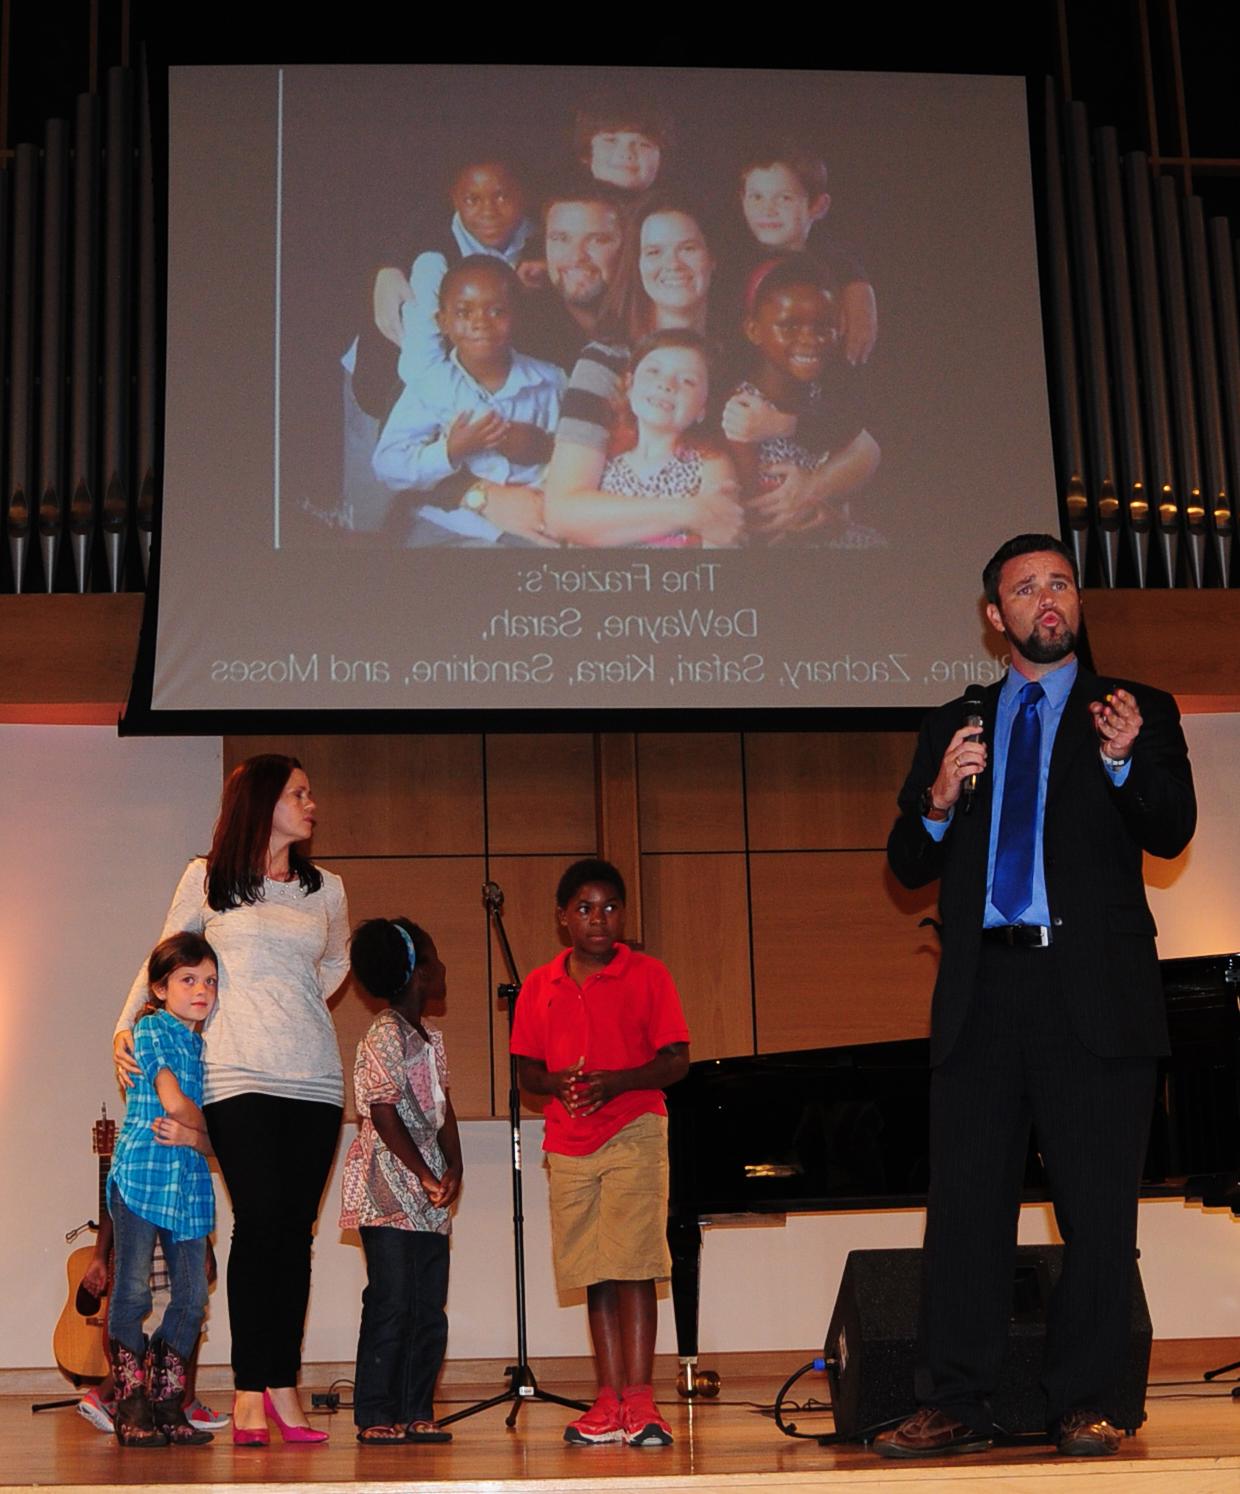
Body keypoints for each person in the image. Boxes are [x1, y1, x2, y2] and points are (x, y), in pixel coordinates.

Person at [880, 534, 1195, 1460]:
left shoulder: (1133, 710)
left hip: (1091, 990)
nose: (1045, 599)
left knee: (1098, 1210)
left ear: (1077, 602)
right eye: (1025, 588)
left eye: (1059, 583)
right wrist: (937, 797)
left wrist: (1131, 760)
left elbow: (1171, 830)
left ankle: (1091, 1401)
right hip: (983, 988)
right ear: (995, 616)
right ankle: (959, 1401)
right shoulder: (954, 725)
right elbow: (905, 863)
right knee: (967, 1207)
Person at [113, 754, 350, 1447]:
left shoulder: (325, 889)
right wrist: (125, 1024)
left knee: (296, 1233)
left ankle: (283, 1384)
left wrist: (290, 1000)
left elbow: (332, 965)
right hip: (235, 1074)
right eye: (300, 793)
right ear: (264, 801)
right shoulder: (207, 878)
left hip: (314, 1076)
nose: (312, 804)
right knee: (259, 1221)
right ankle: (249, 1388)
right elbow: (162, 954)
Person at [511, 859, 690, 1448]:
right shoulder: (540, 985)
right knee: (593, 1271)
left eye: (610, 907)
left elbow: (676, 1061)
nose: (598, 919)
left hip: (635, 1129)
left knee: (633, 1264)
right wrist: (555, 1082)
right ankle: (608, 1400)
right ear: (563, 918)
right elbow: (525, 1073)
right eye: (584, 908)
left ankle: (641, 1400)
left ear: (623, 914)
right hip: (567, 1143)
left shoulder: (650, 975)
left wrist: (619, 1081)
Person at [542, 198, 742, 548]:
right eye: (653, 252)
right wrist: (689, 512)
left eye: (689, 249)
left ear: (713, 259)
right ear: (636, 265)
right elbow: (563, 512)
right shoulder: (605, 361)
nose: (673, 264)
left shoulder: (742, 354)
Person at [341, 917, 463, 1445]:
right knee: (391, 1299)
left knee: (427, 1304)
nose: (443, 969)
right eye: (434, 959)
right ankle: (375, 1411)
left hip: (428, 1193)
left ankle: (418, 1406)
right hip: (387, 1188)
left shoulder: (430, 1039)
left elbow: (444, 1109)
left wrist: (452, 1166)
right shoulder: (384, 1034)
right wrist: (423, 1171)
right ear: (416, 972)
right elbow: (383, 1110)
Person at [106, 933, 218, 1448]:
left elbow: (218, 1141)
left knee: (192, 1298)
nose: (202, 990)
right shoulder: (149, 1030)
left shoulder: (210, 1046)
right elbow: (173, 1103)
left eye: (210, 981)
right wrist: (202, 1133)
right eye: (188, 979)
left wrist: (199, 1138)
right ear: (159, 987)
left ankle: (166, 1402)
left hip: (190, 1184)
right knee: (130, 1290)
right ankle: (130, 1404)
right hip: (143, 1176)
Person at [372, 256, 565, 548]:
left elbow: (574, 450)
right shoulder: (430, 385)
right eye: (464, 312)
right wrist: (450, 450)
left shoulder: (549, 380)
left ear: (518, 316)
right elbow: (388, 466)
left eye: (497, 311)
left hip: (534, 517)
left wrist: (540, 447)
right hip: (453, 521)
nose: (480, 323)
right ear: (443, 322)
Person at [728, 257, 882, 547]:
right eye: (789, 326)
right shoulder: (744, 409)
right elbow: (761, 519)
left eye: (823, 327)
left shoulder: (819, 394)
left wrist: (830, 510)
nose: (810, 339)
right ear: (753, 330)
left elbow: (865, 451)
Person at [598, 329, 738, 547]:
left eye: (687, 381)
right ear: (629, 384)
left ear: (704, 407)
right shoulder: (604, 462)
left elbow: (720, 545)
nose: (667, 384)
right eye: (653, 371)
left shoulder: (710, 464)